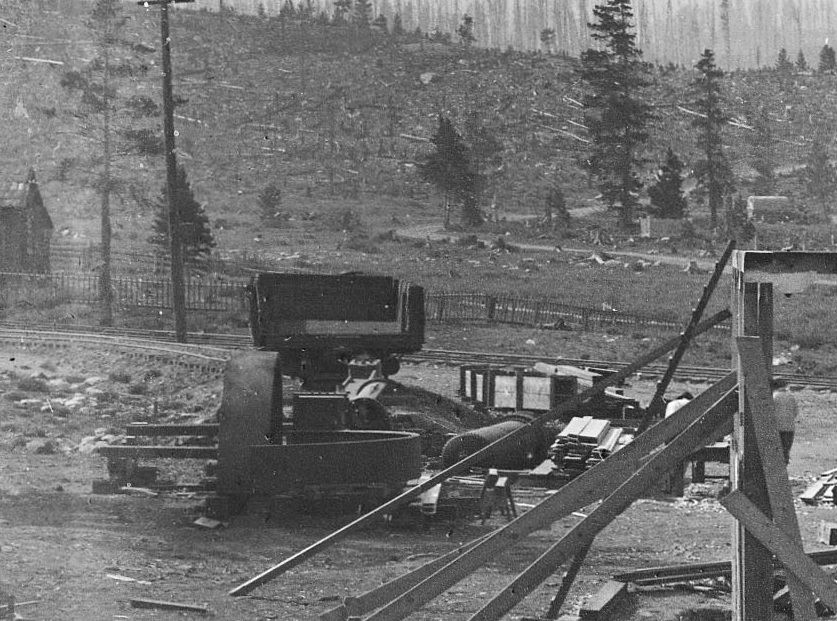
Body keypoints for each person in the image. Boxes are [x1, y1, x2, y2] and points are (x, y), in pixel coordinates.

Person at [773, 379, 798, 464]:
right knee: (786, 449)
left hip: (777, 427)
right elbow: (795, 412)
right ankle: (785, 463)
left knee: (777, 449)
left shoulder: (774, 396)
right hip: (790, 427)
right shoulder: (791, 396)